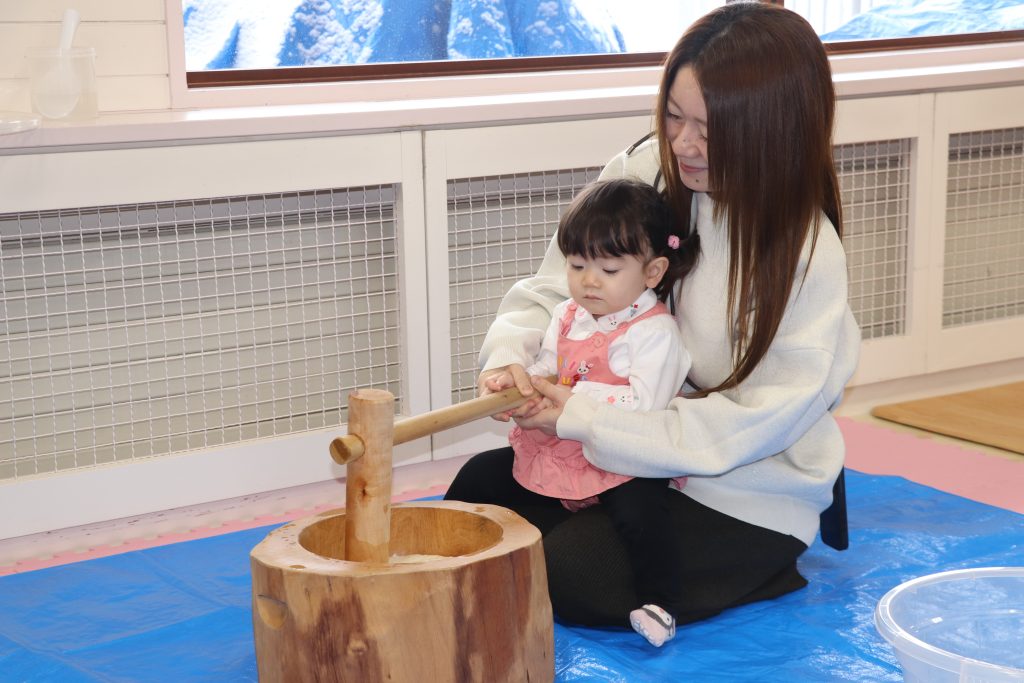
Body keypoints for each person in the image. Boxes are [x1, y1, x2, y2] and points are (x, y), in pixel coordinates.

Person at [445, 1, 861, 637]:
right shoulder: (647, 171)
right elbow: (557, 286)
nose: (684, 144)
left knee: (573, 572)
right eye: (673, 116)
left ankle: (766, 564)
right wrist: (510, 360)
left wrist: (586, 419)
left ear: (771, 132)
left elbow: (756, 421)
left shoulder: (805, 253)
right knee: (476, 494)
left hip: (739, 479)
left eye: (710, 130)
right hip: (625, 452)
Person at [491, 178, 692, 646]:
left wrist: (574, 397)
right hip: (568, 448)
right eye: (578, 265)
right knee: (481, 477)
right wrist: (519, 384)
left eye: (608, 268)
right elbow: (547, 366)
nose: (589, 280)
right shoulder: (567, 315)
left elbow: (645, 404)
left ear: (653, 271)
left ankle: (661, 603)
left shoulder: (654, 332)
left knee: (643, 513)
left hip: (626, 457)